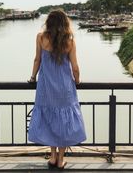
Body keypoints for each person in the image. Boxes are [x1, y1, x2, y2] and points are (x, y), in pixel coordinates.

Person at [28, 9, 86, 170]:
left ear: (49, 22)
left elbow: (37, 60)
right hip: (64, 87)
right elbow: (75, 67)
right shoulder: (69, 41)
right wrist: (78, 81)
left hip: (46, 86)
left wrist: (32, 78)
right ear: (64, 23)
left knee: (49, 119)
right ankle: (61, 159)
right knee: (64, 121)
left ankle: (52, 156)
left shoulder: (40, 38)